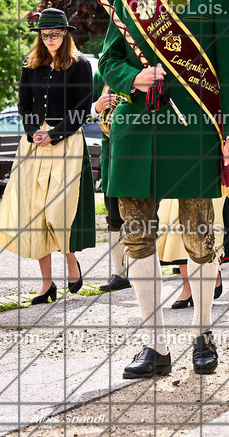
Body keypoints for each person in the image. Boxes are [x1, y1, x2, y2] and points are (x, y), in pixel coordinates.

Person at [99, 0, 229, 378]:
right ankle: (154, 346)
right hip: (137, 130)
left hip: (195, 129)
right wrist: (131, 79)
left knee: (201, 235)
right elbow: (108, 59)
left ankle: (203, 334)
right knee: (137, 235)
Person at [0, 8, 96, 304]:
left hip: (66, 144)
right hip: (35, 144)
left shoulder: (80, 65)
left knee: (58, 209)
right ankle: (46, 283)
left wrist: (55, 133)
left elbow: (82, 107)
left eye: (56, 34)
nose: (50, 39)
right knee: (35, 213)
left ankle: (71, 260)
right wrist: (33, 130)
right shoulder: (31, 63)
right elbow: (24, 103)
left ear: (66, 34)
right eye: (46, 34)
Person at [92, 66, 130, 293]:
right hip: (111, 149)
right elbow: (89, 113)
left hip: (138, 149)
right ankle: (119, 273)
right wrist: (98, 107)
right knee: (113, 215)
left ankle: (141, 268)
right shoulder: (101, 74)